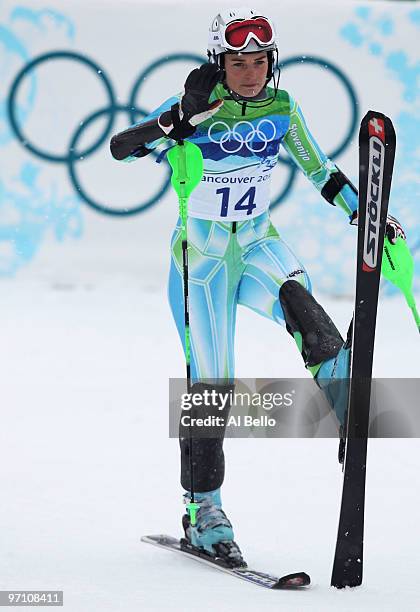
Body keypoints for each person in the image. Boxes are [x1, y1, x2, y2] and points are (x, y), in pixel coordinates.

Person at [110, 8, 406, 567]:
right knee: (213, 386)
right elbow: (121, 147)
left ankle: (345, 398)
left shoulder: (281, 107)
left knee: (306, 310)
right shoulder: (197, 108)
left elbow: (323, 173)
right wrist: (175, 122)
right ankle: (204, 510)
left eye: (260, 61)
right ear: (218, 62)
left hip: (257, 243)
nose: (250, 73)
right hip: (203, 261)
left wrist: (367, 213)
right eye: (238, 61)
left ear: (273, 62)